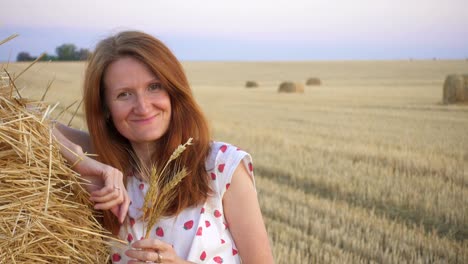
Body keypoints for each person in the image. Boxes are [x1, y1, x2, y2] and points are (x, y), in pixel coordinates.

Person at [53, 30, 274, 264]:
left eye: (154, 87)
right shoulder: (104, 165)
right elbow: (23, 120)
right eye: (124, 94)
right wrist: (81, 160)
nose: (143, 106)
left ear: (173, 91)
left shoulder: (221, 166)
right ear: (106, 108)